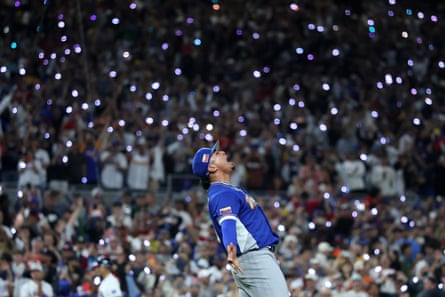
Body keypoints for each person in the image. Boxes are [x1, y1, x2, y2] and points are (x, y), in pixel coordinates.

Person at [191, 140, 290, 297]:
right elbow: (227, 222)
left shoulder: (227, 190)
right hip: (253, 258)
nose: (222, 152)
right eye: (216, 154)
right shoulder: (222, 193)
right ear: (212, 167)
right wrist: (231, 248)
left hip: (250, 259)